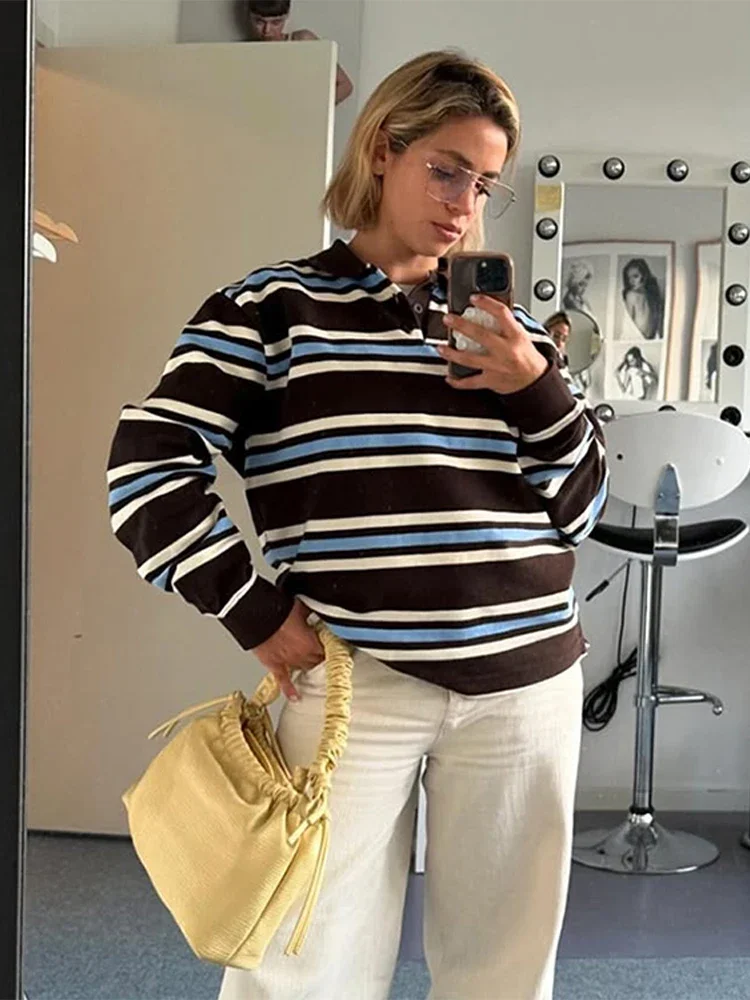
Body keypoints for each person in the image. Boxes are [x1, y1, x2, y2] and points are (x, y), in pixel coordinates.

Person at [107, 49, 608, 1000]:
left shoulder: (515, 335)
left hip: (528, 684)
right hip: (351, 684)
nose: (465, 204)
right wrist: (252, 610)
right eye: (447, 170)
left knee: (505, 969)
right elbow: (147, 466)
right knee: (301, 962)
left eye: (485, 184)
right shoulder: (271, 309)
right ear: (384, 149)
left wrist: (535, 388)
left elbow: (582, 509)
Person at [244, 0, 354, 106]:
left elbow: (345, 86)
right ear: (249, 16)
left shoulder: (302, 40)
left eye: (276, 22)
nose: (267, 30)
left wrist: (314, 109)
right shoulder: (244, 51)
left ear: (287, 16)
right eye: (259, 22)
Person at [621, 257, 664, 340]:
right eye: (629, 278)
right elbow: (628, 323)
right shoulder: (631, 295)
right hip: (636, 337)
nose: (631, 281)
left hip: (652, 338)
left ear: (644, 275)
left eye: (635, 276)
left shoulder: (652, 295)